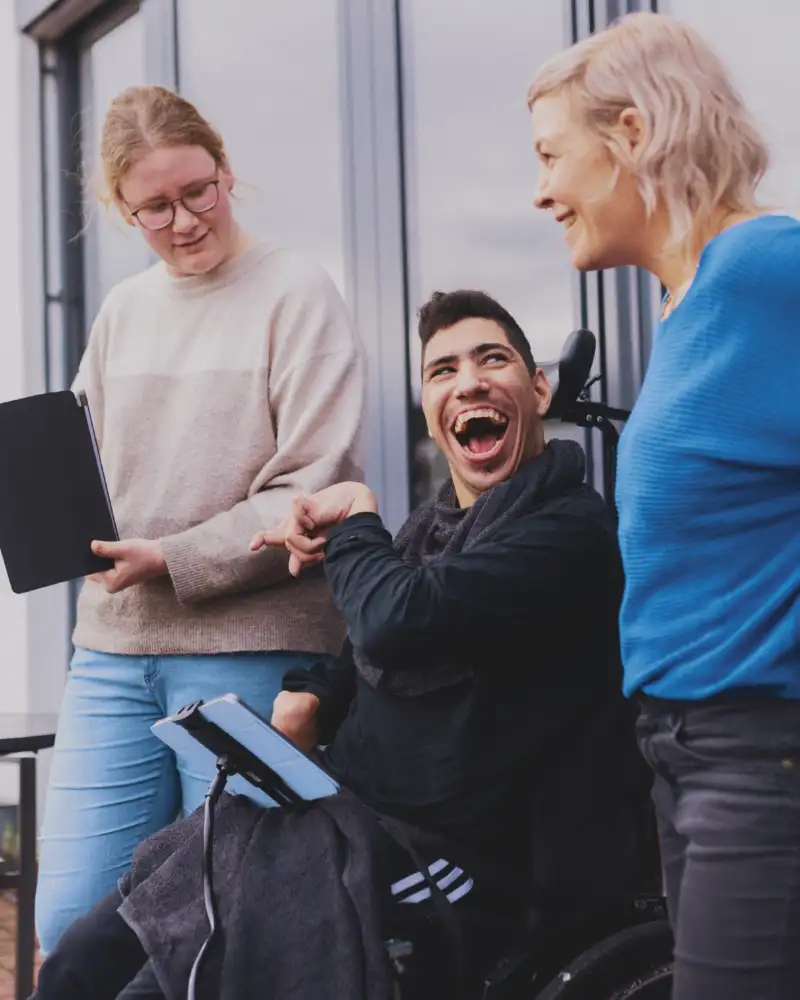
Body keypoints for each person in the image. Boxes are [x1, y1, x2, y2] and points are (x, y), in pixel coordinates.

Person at [33, 290, 639, 1000]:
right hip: (342, 815)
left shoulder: (569, 529)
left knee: (172, 981)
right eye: (441, 370)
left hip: (459, 857)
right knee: (88, 951)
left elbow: (399, 620)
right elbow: (364, 649)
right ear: (428, 406)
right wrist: (312, 693)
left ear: (539, 389)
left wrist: (353, 513)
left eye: (492, 359)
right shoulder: (432, 529)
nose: (467, 380)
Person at [35, 84, 365, 955]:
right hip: (110, 652)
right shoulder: (122, 313)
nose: (184, 221)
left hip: (249, 649)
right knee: (70, 921)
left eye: (198, 192)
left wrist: (171, 556)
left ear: (226, 172)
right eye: (155, 208)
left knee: (233, 925)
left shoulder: (297, 292)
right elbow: (80, 468)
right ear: (122, 209)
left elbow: (312, 483)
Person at [528, 12, 800, 1000]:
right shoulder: (687, 308)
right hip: (683, 750)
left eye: (551, 154)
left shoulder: (769, 271)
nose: (539, 188)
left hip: (758, 754)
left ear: (632, 135)